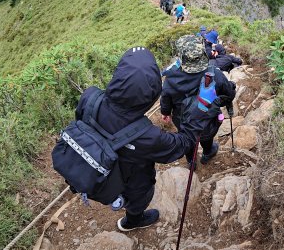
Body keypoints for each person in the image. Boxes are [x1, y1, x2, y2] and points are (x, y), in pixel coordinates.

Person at [75, 47, 219, 232]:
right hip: (132, 178)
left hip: (93, 166)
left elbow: (82, 122)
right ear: (151, 95)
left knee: (123, 189)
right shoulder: (147, 135)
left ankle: (122, 206)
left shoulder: (90, 97)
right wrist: (202, 107)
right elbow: (183, 143)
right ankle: (133, 221)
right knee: (139, 196)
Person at [160, 35, 236, 168]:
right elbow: (228, 95)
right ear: (202, 53)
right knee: (206, 135)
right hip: (207, 118)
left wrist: (165, 112)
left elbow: (166, 99)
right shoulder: (214, 73)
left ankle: (191, 161)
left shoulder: (170, 78)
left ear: (181, 56)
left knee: (188, 138)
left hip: (183, 119)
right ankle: (208, 153)